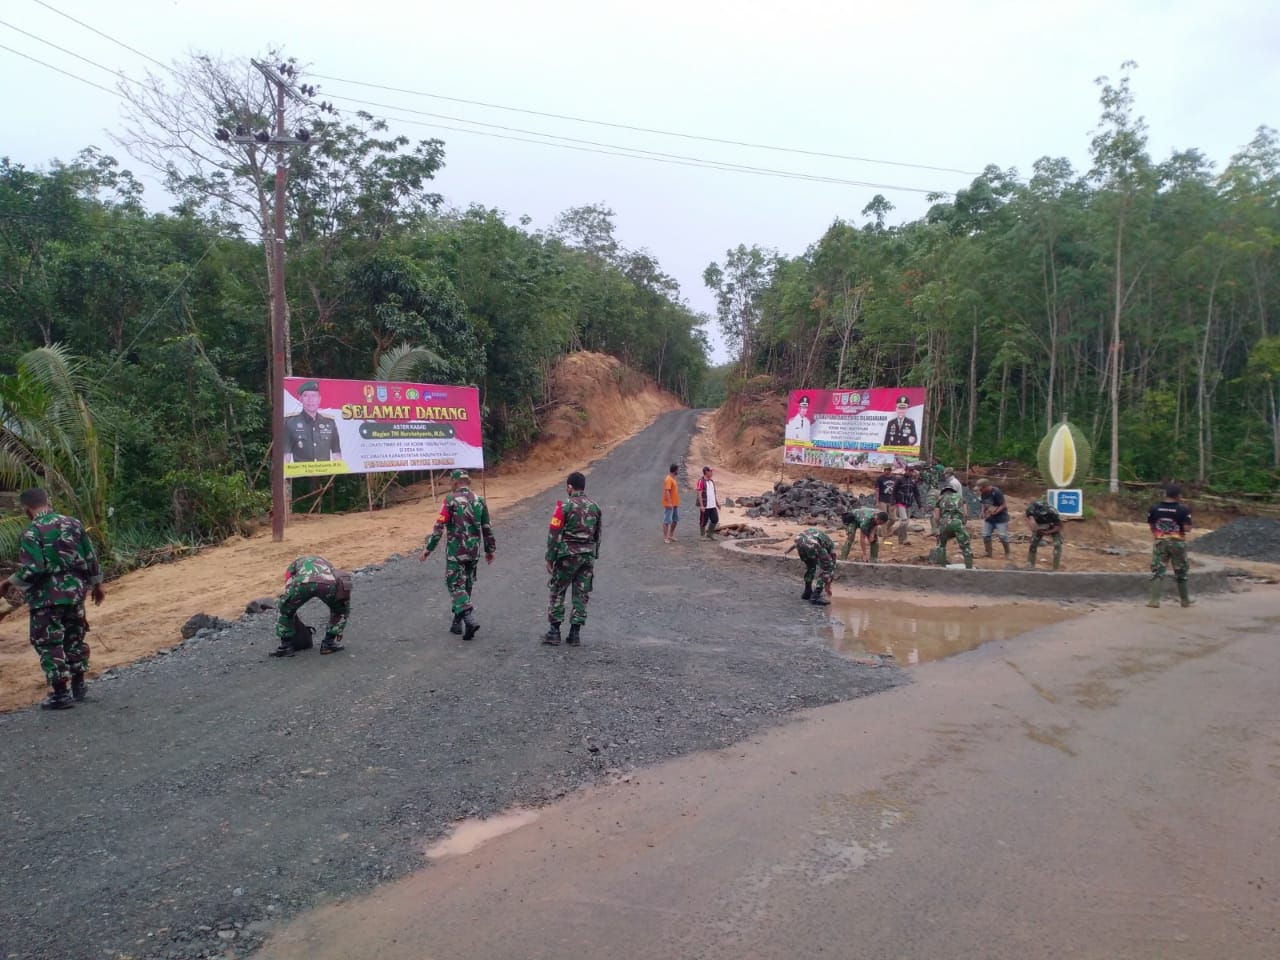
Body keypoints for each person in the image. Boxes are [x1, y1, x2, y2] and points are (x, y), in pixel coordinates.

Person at [0, 488, 104, 709]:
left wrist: (9, 583)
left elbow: (34, 568)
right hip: (75, 594)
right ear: (48, 502)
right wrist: (97, 585)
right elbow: (90, 556)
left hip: (46, 598)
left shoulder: (31, 532)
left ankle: (60, 695)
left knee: (50, 643)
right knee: (74, 637)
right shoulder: (74, 523)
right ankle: (79, 687)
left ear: (26, 509)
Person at [420, 469, 496, 640]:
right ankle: (457, 622)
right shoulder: (480, 500)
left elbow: (439, 527)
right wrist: (490, 550)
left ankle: (468, 616)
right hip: (473, 551)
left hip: (456, 551)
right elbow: (487, 528)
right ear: (467, 482)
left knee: (454, 584)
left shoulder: (450, 500)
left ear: (454, 483)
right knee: (467, 583)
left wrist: (428, 549)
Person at [544, 471, 603, 646]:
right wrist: (594, 554)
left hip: (567, 556)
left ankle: (554, 632)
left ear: (570, 487)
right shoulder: (595, 507)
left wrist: (550, 557)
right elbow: (598, 535)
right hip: (587, 557)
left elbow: (554, 534)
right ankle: (575, 633)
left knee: (558, 591)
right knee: (581, 593)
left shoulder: (564, 507)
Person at [271, 556, 353, 657]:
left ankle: (286, 646)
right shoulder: (327, 563)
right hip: (327, 583)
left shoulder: (294, 565)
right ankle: (329, 643)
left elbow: (288, 583)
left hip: (303, 583)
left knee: (284, 610)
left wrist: (288, 605)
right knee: (340, 611)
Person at [1146, 484, 1194, 608]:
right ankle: (1185, 600)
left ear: (1165, 494)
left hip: (1160, 542)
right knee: (1181, 571)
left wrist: (1158, 535)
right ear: (1178, 496)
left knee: (1157, 570)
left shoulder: (1154, 508)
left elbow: (1151, 525)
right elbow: (1187, 529)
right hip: (1178, 543)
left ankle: (1154, 601)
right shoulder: (1184, 510)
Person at [284, 380, 342, 463]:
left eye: (314, 396)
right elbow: (286, 456)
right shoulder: (290, 423)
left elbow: (336, 454)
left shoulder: (330, 423)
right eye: (305, 396)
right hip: (301, 474)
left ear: (319, 399)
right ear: (300, 399)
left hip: (325, 473)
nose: (310, 400)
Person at [788, 528, 836, 605]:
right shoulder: (831, 546)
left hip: (799, 542)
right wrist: (828, 586)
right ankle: (815, 596)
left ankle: (807, 592)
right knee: (828, 568)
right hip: (812, 544)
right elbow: (831, 566)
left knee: (811, 566)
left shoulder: (820, 536)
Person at [933, 486, 974, 568]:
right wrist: (963, 523)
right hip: (957, 523)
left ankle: (941, 567)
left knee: (941, 545)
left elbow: (936, 517)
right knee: (965, 546)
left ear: (943, 492)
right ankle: (969, 568)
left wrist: (938, 527)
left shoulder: (940, 499)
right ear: (953, 491)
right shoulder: (960, 498)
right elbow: (966, 514)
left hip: (944, 523)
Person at [975, 478, 1012, 559]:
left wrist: (995, 512)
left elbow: (1003, 505)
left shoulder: (996, 492)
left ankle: (1008, 553)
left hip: (1000, 518)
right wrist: (982, 512)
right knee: (985, 535)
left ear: (985, 487)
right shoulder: (983, 493)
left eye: (980, 488)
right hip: (989, 518)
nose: (979, 490)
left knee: (1002, 535)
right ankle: (988, 552)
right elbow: (983, 503)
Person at [1025, 500, 1064, 571]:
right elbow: (1029, 521)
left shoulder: (1052, 512)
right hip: (1039, 525)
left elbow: (1060, 526)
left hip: (1052, 525)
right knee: (1033, 545)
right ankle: (1030, 566)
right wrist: (1036, 529)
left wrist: (1048, 532)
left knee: (1057, 544)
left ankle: (1056, 569)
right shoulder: (1030, 510)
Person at [892, 466, 924, 545]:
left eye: (912, 471)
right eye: (909, 471)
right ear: (905, 471)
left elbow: (917, 494)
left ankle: (900, 535)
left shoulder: (912, 482)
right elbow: (894, 491)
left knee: (906, 522)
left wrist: (920, 505)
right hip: (900, 503)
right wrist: (892, 503)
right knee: (904, 520)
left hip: (908, 504)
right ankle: (903, 539)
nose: (911, 472)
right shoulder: (899, 480)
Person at [697, 465, 720, 539]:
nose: (712, 473)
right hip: (705, 505)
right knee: (703, 521)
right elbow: (699, 494)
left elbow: (713, 493)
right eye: (710, 471)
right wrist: (701, 505)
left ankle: (710, 534)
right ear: (706, 472)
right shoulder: (701, 481)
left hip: (712, 505)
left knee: (715, 519)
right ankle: (702, 535)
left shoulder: (711, 482)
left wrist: (717, 503)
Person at [662, 463, 680, 543]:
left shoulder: (672, 479)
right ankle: (665, 537)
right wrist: (669, 503)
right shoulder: (668, 479)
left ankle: (671, 535)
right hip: (670, 504)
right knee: (667, 521)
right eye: (677, 470)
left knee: (675, 520)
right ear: (675, 470)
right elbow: (667, 491)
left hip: (675, 504)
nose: (678, 471)